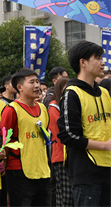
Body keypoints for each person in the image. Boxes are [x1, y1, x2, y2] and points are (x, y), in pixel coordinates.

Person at [57, 41, 111, 206]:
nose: (103, 63)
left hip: (108, 170)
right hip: (86, 175)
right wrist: (104, 146)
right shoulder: (72, 94)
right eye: (98, 58)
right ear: (83, 62)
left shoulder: (104, 92)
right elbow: (67, 135)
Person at [1, 68, 51, 206]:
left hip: (43, 171)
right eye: (32, 82)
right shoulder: (12, 110)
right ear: (19, 87)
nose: (37, 86)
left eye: (37, 82)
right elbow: (5, 141)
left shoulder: (43, 109)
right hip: (19, 171)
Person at [47, 77, 73, 207]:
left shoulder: (68, 104)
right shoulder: (54, 107)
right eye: (65, 87)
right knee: (65, 196)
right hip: (61, 156)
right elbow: (60, 134)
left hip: (71, 155)